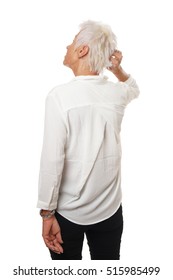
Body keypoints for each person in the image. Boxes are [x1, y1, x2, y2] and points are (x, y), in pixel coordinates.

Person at [37, 20, 140, 260]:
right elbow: (134, 89)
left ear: (82, 50)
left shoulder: (59, 97)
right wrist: (117, 70)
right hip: (110, 211)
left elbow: (52, 161)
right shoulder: (116, 93)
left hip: (68, 214)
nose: (68, 45)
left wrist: (47, 213)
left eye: (73, 41)